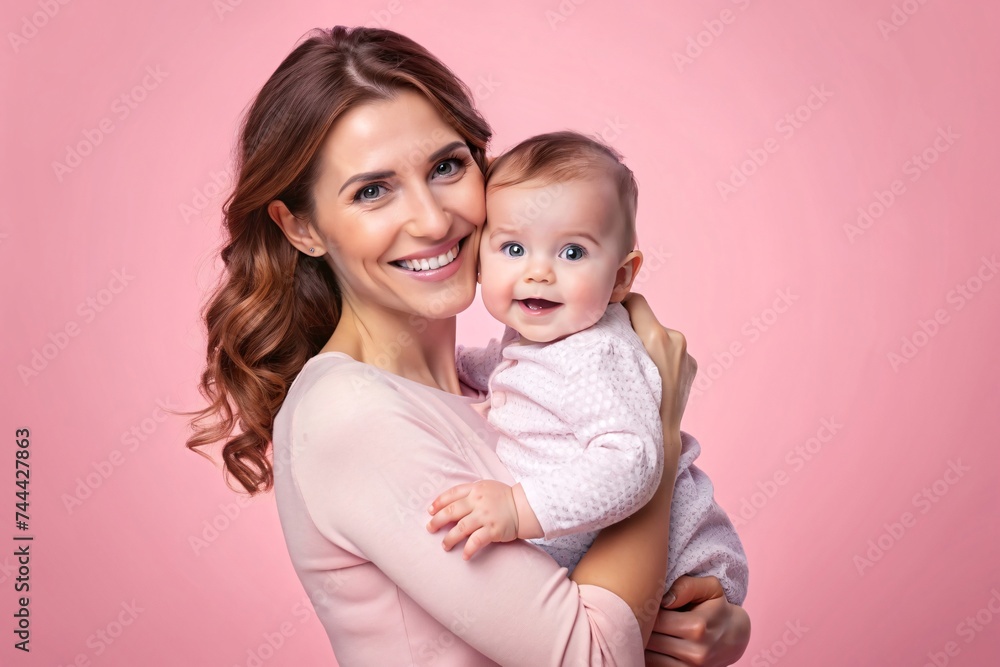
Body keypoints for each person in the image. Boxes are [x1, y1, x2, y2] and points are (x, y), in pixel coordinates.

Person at [186, 25, 750, 665]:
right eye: (372, 191)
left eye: (447, 167)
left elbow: (603, 596)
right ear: (303, 226)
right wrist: (661, 429)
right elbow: (594, 658)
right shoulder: (350, 414)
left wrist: (708, 624)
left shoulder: (499, 384)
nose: (431, 220)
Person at [426, 131, 748, 606]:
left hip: (680, 565)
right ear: (478, 257)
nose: (538, 272)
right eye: (513, 249)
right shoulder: (548, 336)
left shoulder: (596, 355)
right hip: (599, 559)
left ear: (620, 277)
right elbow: (509, 367)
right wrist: (447, 366)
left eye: (572, 252)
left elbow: (631, 462)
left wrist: (518, 508)